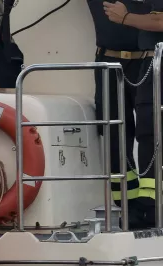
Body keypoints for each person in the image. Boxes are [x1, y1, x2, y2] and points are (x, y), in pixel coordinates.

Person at [104, 0, 162, 228]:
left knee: (151, 131)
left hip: (155, 60)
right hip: (148, 60)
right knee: (141, 132)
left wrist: (126, 18)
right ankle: (141, 206)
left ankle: (153, 207)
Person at [88, 0, 145, 227]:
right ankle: (128, 206)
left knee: (151, 133)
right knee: (114, 136)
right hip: (108, 61)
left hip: (148, 61)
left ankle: (152, 204)